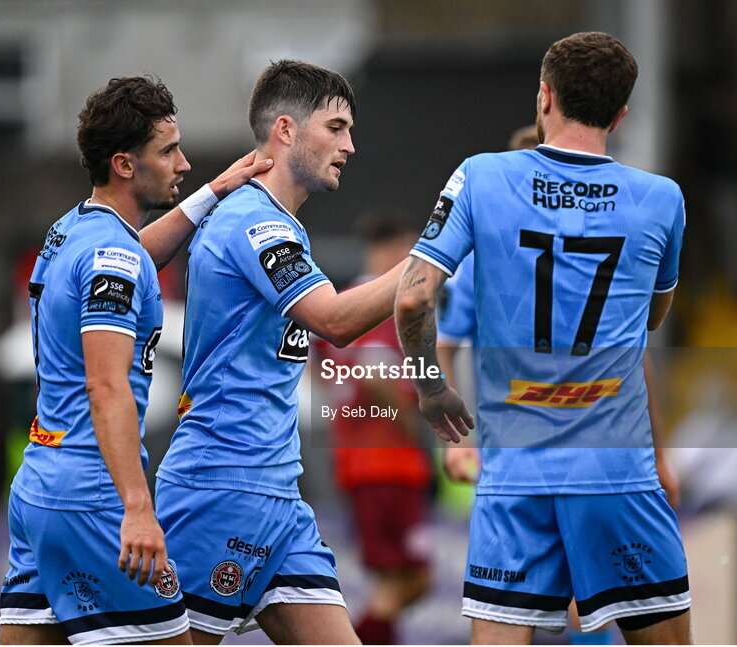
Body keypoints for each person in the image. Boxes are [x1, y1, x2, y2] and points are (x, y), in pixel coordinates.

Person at [395, 32, 691, 645]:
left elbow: (413, 296)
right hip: (618, 477)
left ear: (544, 96)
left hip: (515, 477)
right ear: (620, 114)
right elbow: (652, 321)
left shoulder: (479, 177)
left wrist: (430, 389)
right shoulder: (663, 200)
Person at [0, 75, 270, 645]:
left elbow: (133, 260)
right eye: (168, 151)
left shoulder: (75, 229)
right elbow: (107, 386)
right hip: (93, 496)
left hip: (39, 488)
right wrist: (137, 506)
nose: (184, 162)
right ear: (125, 164)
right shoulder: (112, 255)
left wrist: (213, 193)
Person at [153, 60, 408, 645]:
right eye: (337, 127)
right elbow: (336, 321)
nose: (351, 144)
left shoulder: (282, 226)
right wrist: (437, 257)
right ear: (287, 130)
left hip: (279, 497)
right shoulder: (252, 222)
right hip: (219, 488)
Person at [316, 216, 432, 645]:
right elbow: (371, 373)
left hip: (364, 462)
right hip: (386, 463)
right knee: (413, 578)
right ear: (391, 252)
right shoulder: (373, 307)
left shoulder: (340, 304)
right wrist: (412, 420)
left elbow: (324, 373)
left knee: (398, 577)